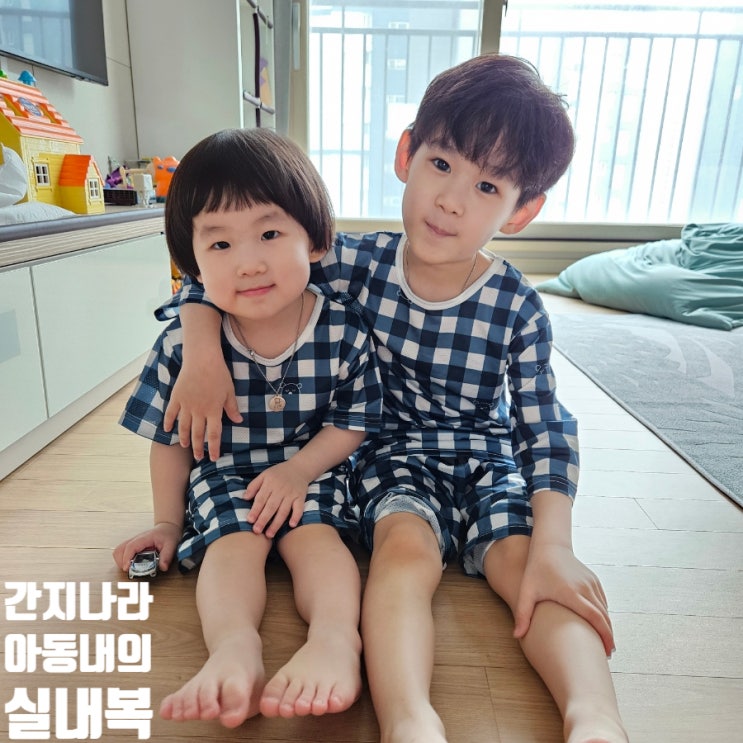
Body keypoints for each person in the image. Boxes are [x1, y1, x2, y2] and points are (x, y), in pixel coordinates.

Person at [162, 55, 628, 742]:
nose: (451, 200)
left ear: (522, 210)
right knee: (404, 553)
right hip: (391, 460)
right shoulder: (352, 262)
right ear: (406, 154)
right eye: (441, 164)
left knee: (529, 564)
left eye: (487, 185)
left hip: (488, 460)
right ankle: (409, 721)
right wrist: (202, 350)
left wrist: (555, 543)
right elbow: (231, 273)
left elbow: (544, 425)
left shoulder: (516, 305)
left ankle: (595, 718)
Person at [113, 128, 382, 729]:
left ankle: (336, 640)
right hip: (226, 472)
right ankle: (234, 649)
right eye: (220, 243)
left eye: (269, 234)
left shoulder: (342, 329)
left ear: (315, 240)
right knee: (231, 549)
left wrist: (299, 471)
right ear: (191, 265)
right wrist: (167, 522)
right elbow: (170, 441)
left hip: (310, 466)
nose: (249, 262)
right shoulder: (182, 348)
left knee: (319, 543)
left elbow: (353, 423)